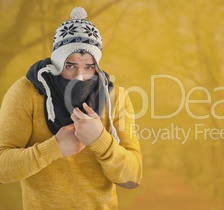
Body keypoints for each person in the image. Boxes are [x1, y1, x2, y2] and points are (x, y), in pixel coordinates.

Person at [0, 7, 142, 209]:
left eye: (89, 66)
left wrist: (100, 140)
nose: (80, 76)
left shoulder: (115, 97)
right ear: (57, 62)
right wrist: (54, 148)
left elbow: (132, 177)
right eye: (70, 65)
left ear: (97, 65)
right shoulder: (26, 92)